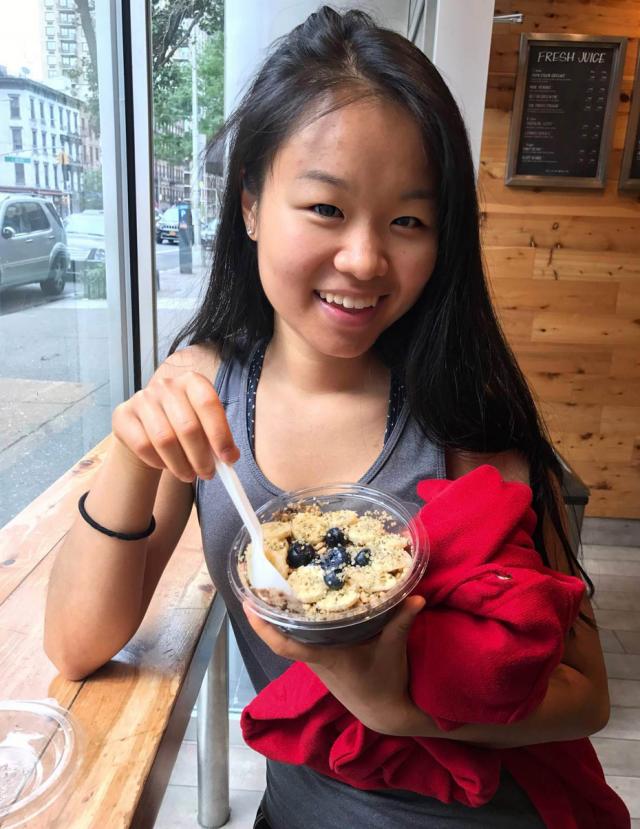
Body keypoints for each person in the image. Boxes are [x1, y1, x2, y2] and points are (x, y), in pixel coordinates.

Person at [44, 8, 612, 828]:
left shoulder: (464, 414)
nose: (364, 259)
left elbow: (584, 693)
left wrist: (398, 705)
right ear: (249, 204)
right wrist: (135, 448)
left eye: (408, 221)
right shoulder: (207, 397)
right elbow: (74, 643)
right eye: (324, 208)